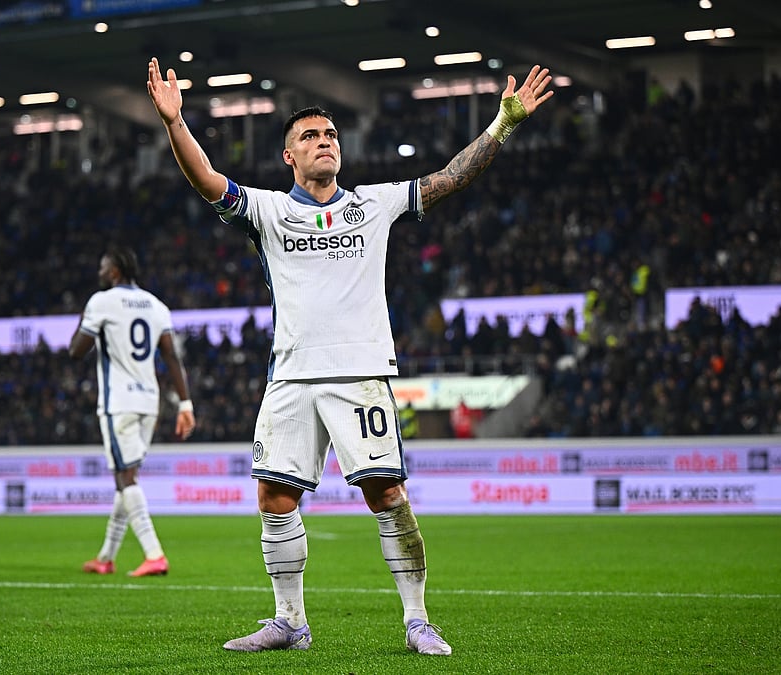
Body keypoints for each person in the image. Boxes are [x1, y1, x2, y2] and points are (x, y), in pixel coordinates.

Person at [147, 56, 553, 656]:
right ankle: (290, 621)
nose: (325, 142)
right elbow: (207, 179)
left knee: (387, 496)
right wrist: (175, 122)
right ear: (289, 156)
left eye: (331, 134)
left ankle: (417, 620)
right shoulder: (270, 212)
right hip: (291, 378)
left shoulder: (374, 204)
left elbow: (449, 178)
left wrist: (503, 124)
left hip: (359, 376)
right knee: (274, 498)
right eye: (311, 136)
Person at [69, 247, 196, 578]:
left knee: (125, 477)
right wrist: (185, 404)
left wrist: (86, 318)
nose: (99, 273)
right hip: (149, 403)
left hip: (120, 403)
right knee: (125, 479)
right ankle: (106, 557)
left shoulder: (102, 301)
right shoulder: (156, 305)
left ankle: (154, 554)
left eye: (103, 267)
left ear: (114, 272)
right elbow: (171, 356)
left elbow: (76, 351)